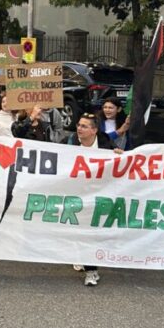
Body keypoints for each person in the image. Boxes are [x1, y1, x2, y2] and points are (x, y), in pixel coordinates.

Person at [67, 113, 122, 286]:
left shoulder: (105, 143)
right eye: (78, 125)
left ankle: (91, 271)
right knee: (77, 229)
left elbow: (121, 162)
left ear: (94, 130)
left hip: (99, 195)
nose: (79, 129)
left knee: (91, 233)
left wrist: (120, 155)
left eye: (84, 126)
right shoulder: (69, 142)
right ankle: (81, 256)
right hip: (76, 195)